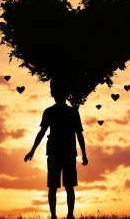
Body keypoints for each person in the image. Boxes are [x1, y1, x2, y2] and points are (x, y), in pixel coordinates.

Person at [24, 79, 88, 219]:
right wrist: (84, 154)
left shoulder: (50, 112)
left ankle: (54, 216)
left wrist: (32, 150)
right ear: (67, 95)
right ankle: (70, 215)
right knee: (69, 186)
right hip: (68, 153)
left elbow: (41, 133)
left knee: (53, 186)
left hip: (54, 153)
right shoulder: (72, 112)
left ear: (53, 94)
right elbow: (79, 134)